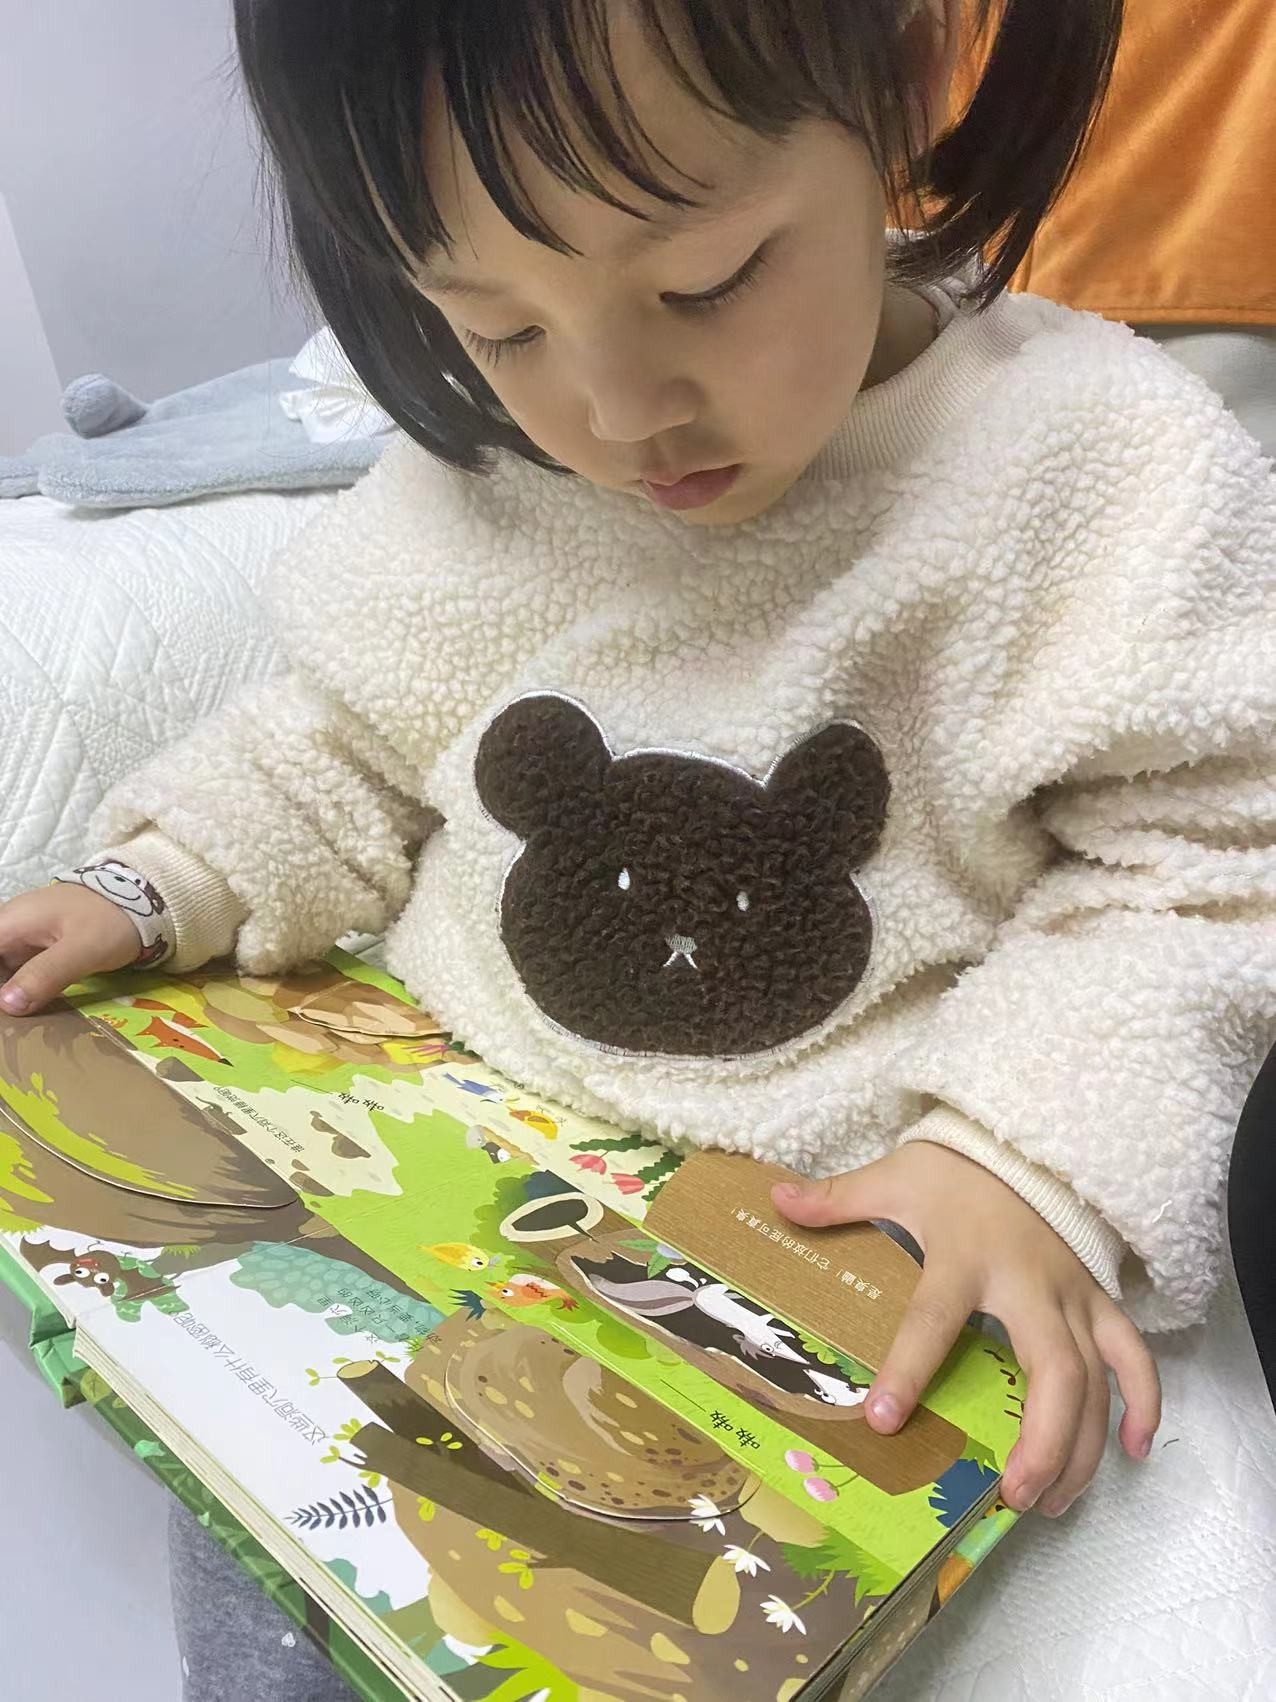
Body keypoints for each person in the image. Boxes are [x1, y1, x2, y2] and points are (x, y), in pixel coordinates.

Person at [2, 2, 1273, 1695]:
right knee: (265, 1579)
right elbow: (348, 735)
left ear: (898, 85)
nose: (617, 411)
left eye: (706, 284)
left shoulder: (1096, 469)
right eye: (500, 325)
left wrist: (1025, 1156)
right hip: (416, 1179)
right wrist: (162, 879)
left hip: (796, 1263)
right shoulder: (481, 480)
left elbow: (1210, 862)